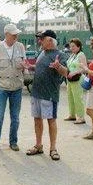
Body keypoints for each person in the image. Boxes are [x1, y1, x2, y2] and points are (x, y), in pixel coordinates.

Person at [25, 30, 68, 161]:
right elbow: (40, 67)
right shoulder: (42, 53)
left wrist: (58, 66)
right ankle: (38, 145)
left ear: (50, 41)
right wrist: (30, 67)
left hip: (49, 95)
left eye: (42, 39)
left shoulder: (60, 55)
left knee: (51, 120)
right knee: (37, 119)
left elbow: (66, 73)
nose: (39, 41)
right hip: (36, 93)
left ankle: (53, 148)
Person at [0, 24, 26, 152]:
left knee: (15, 117)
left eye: (17, 34)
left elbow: (24, 64)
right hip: (1, 88)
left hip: (17, 87)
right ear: (6, 35)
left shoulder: (20, 47)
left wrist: (23, 66)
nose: (16, 36)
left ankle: (13, 142)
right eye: (13, 34)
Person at [65, 38, 87, 124]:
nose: (71, 48)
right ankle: (72, 115)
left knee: (78, 98)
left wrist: (74, 73)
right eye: (70, 46)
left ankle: (81, 117)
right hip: (70, 79)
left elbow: (85, 68)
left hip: (78, 79)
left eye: (73, 46)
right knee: (70, 97)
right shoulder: (72, 55)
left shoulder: (81, 55)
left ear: (79, 46)